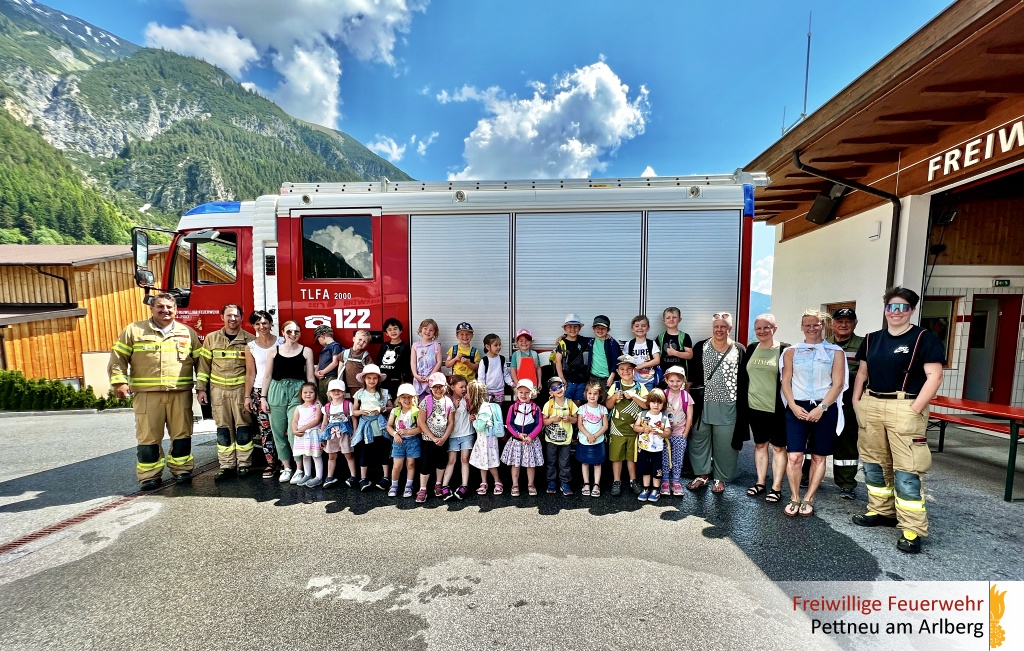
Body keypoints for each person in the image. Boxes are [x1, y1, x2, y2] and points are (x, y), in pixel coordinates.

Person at [851, 287, 944, 554]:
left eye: (902, 307)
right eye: (892, 307)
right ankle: (880, 511)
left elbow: (934, 377)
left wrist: (915, 408)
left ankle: (911, 527)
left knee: (907, 470)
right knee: (873, 463)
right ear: (885, 310)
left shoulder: (924, 338)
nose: (896, 312)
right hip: (872, 404)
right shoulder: (872, 339)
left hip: (905, 405)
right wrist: (857, 402)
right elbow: (862, 373)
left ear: (911, 310)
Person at [108, 293, 201, 490]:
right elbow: (118, 357)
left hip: (180, 393)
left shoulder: (187, 332)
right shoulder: (134, 330)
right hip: (147, 394)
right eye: (160, 306)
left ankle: (182, 470)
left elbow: (201, 362)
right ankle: (149, 476)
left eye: (169, 307)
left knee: (182, 434)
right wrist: (119, 382)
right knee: (148, 437)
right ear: (152, 309)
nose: (165, 310)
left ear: (176, 310)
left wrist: (202, 386)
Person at [780, 309, 847, 517]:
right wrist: (791, 405)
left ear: (823, 326)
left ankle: (809, 497)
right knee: (794, 456)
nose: (811, 328)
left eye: (816, 324)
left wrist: (822, 408)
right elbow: (785, 381)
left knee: (818, 456)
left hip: (824, 407)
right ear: (801, 327)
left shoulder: (835, 352)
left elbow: (837, 384)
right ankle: (794, 496)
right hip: (797, 406)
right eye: (807, 324)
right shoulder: (791, 351)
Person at [687, 312, 748, 494]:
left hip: (728, 403)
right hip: (702, 403)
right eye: (716, 326)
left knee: (725, 444)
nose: (719, 330)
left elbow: (744, 379)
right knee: (698, 440)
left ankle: (720, 478)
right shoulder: (701, 346)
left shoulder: (739, 349)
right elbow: (693, 375)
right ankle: (702, 475)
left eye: (723, 326)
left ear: (730, 329)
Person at [196, 304, 255, 481]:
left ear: (241, 318)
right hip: (218, 392)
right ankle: (226, 465)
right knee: (223, 430)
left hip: (240, 391)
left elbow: (253, 370)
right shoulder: (211, 339)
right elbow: (203, 366)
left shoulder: (249, 340)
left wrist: (250, 394)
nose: (233, 319)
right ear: (222, 316)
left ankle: (244, 464)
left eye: (236, 316)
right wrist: (200, 389)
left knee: (243, 428)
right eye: (229, 315)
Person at [739, 314, 790, 504]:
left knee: (778, 447)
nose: (762, 331)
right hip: (754, 406)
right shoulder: (752, 348)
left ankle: (776, 487)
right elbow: (745, 378)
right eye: (758, 328)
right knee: (760, 445)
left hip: (776, 407)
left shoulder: (784, 349)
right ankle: (760, 482)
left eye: (766, 328)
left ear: (774, 329)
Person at [259, 321, 315, 484]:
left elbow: (310, 376)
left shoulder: (306, 351)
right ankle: (286, 467)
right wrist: (263, 397)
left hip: (298, 391)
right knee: (277, 431)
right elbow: (267, 375)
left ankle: (299, 469)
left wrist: (314, 398)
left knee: (294, 430)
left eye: (296, 331)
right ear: (283, 332)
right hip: (276, 390)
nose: (293, 334)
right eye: (289, 331)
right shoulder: (273, 351)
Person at [828, 307, 865, 499]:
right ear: (832, 324)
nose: (844, 324)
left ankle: (847, 483)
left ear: (854, 324)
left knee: (847, 443)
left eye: (848, 321)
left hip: (848, 404)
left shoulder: (863, 345)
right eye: (840, 321)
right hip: (824, 403)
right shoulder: (823, 344)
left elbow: (866, 374)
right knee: (814, 441)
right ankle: (807, 476)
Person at [244, 310, 285, 478]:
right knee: (265, 429)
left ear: (271, 324)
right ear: (253, 326)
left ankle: (285, 462)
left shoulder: (282, 342)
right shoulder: (251, 347)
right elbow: (250, 373)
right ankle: (270, 463)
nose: (262, 327)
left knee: (282, 428)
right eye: (258, 324)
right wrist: (247, 396)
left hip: (280, 388)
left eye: (265, 323)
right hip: (260, 391)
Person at [606, 355, 649, 496]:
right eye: (622, 369)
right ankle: (616, 481)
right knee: (616, 456)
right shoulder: (615, 386)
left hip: (634, 428)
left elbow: (646, 404)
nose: (626, 372)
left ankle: (633, 480)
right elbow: (608, 405)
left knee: (632, 456)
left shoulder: (640, 387)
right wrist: (614, 397)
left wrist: (635, 396)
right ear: (618, 372)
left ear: (634, 370)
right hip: (617, 427)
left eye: (629, 369)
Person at [351, 364, 391, 491]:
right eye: (369, 378)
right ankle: (363, 478)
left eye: (374, 378)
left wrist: (382, 409)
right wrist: (361, 412)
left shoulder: (384, 393)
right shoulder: (360, 393)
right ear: (364, 379)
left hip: (380, 426)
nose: (372, 381)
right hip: (365, 427)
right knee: (364, 452)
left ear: (378, 379)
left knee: (383, 451)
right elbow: (353, 412)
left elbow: (392, 408)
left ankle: (385, 477)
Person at [501, 379, 544, 496]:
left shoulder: (536, 408)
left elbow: (539, 424)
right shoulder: (513, 408)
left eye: (526, 392)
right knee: (515, 464)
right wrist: (517, 434)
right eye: (521, 392)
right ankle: (515, 484)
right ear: (517, 393)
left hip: (531, 441)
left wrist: (531, 436)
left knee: (530, 464)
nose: (523, 395)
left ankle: (531, 484)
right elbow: (509, 423)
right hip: (517, 441)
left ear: (532, 393)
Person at [416, 372, 455, 503]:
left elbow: (451, 422)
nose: (438, 390)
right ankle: (422, 488)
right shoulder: (425, 401)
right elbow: (421, 422)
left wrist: (444, 437)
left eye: (441, 387)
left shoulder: (448, 402)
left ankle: (438, 484)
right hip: (428, 440)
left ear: (445, 386)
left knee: (441, 462)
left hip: (443, 439)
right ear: (430, 388)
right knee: (426, 463)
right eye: (435, 387)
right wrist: (432, 437)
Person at [542, 376, 578, 496]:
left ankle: (565, 483)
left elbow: (576, 420)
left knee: (565, 462)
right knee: (551, 462)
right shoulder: (549, 404)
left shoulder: (570, 403)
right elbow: (543, 421)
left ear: (565, 387)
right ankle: (551, 482)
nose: (558, 389)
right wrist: (552, 419)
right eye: (554, 387)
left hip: (566, 440)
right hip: (551, 439)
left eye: (560, 385)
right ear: (550, 392)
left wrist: (569, 418)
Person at [634, 389, 671, 502]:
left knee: (657, 470)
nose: (656, 405)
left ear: (663, 404)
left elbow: (668, 432)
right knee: (645, 469)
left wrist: (660, 432)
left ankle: (655, 489)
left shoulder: (664, 418)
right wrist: (643, 429)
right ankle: (646, 488)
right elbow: (635, 427)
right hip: (644, 448)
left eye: (659, 402)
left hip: (657, 450)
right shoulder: (642, 414)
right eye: (653, 402)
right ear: (648, 402)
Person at [660, 366, 693, 496]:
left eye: (678, 381)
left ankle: (676, 481)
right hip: (664, 434)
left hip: (680, 433)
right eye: (672, 381)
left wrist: (685, 433)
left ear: (683, 381)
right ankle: (665, 480)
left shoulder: (686, 396)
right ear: (666, 381)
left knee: (678, 458)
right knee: (665, 458)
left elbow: (690, 415)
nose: (675, 384)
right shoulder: (663, 394)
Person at [442, 375, 475, 501]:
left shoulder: (467, 399)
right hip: (453, 435)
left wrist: (473, 415)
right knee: (451, 460)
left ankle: (464, 485)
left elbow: (474, 411)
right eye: (461, 387)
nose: (464, 389)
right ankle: (445, 485)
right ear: (452, 387)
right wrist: (453, 409)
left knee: (465, 458)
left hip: (467, 433)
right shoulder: (448, 400)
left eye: (465, 386)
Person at [468, 379, 503, 495]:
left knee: (490, 461)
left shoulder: (483, 409)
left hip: (487, 441)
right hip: (483, 440)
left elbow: (480, 427)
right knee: (482, 461)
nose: (466, 395)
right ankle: (484, 482)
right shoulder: (481, 407)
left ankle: (497, 481)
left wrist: (473, 421)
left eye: (468, 393)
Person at [386, 384, 421, 498]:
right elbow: (389, 426)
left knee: (410, 464)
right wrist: (395, 434)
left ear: (414, 398)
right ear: (399, 399)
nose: (407, 400)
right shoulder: (395, 411)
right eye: (403, 397)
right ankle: (394, 485)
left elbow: (420, 428)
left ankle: (408, 486)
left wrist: (407, 432)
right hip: (399, 441)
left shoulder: (417, 411)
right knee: (397, 465)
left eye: (409, 397)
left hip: (412, 440)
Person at [576, 380, 609, 498]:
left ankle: (596, 484)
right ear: (585, 394)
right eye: (589, 393)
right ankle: (586, 484)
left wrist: (595, 436)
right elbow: (579, 425)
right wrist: (588, 435)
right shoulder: (582, 409)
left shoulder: (602, 409)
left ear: (599, 394)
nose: (592, 396)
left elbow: (605, 426)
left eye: (595, 394)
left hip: (598, 440)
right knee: (584, 462)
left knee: (597, 463)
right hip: (585, 440)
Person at [320, 379, 355, 489]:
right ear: (329, 393)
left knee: (348, 454)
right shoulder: (326, 407)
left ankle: (353, 476)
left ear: (344, 392)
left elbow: (354, 419)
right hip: (331, 433)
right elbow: (325, 422)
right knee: (332, 455)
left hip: (345, 433)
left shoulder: (348, 405)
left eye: (339, 390)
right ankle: (330, 476)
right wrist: (322, 437)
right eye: (333, 390)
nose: (336, 392)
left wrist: (355, 432)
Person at [289, 382, 324, 487]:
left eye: (311, 392)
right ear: (301, 394)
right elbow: (294, 420)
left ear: (315, 394)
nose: (308, 394)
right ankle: (307, 474)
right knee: (305, 455)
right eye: (305, 392)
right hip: (302, 435)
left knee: (316, 455)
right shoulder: (298, 408)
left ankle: (319, 477)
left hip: (313, 434)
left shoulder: (317, 407)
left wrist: (303, 428)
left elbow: (317, 420)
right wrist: (294, 430)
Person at [554, 313, 592, 402]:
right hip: (568, 380)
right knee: (566, 402)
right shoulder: (562, 343)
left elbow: (598, 338)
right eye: (569, 327)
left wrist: (606, 336)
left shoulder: (582, 341)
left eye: (575, 327)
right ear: (565, 328)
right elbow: (558, 361)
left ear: (579, 328)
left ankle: (574, 417)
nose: (572, 329)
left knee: (578, 402)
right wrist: (561, 378)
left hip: (581, 380)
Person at [624, 315, 662, 392]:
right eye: (637, 326)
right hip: (633, 380)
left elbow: (657, 360)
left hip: (648, 380)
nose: (640, 328)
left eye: (643, 326)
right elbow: (624, 361)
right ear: (632, 328)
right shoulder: (629, 344)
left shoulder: (652, 343)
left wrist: (641, 366)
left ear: (648, 328)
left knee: (647, 402)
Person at [378, 317, 411, 401]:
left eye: (395, 329)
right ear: (386, 333)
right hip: (383, 382)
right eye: (389, 329)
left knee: (396, 403)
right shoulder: (384, 346)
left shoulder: (405, 347)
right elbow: (378, 360)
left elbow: (407, 366)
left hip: (397, 381)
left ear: (401, 331)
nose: (393, 331)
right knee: (384, 403)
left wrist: (404, 382)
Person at [656, 307, 694, 382]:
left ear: (679, 319)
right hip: (664, 376)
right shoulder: (660, 337)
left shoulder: (684, 336)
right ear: (664, 321)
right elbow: (656, 356)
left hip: (680, 376)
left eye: (674, 317)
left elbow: (690, 355)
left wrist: (675, 353)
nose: (671, 319)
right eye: (668, 318)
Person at [588, 315, 623, 387]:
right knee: (593, 397)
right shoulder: (591, 341)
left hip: (607, 379)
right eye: (597, 328)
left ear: (608, 330)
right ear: (593, 329)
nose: (600, 330)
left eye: (603, 328)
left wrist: (612, 376)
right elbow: (576, 338)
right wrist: (563, 336)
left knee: (606, 398)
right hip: (593, 377)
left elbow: (616, 361)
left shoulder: (612, 343)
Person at [313, 325, 344, 404]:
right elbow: (320, 362)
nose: (319, 342)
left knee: (330, 399)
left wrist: (322, 372)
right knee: (322, 398)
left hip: (331, 378)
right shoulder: (324, 349)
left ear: (322, 337)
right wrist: (316, 372)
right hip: (322, 379)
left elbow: (335, 362)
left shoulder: (335, 346)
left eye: (318, 339)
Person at [412, 319, 442, 397]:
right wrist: (415, 375)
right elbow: (413, 362)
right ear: (421, 329)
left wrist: (430, 377)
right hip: (419, 379)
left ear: (435, 333)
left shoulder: (436, 345)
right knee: (420, 401)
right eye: (425, 328)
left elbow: (439, 362)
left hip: (433, 379)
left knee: (432, 400)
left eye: (431, 330)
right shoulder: (415, 346)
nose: (427, 332)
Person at [341, 330, 372, 397]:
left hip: (362, 385)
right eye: (360, 339)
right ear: (354, 339)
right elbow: (340, 368)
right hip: (349, 384)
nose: (361, 343)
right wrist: (340, 381)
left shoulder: (365, 355)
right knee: (353, 402)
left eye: (364, 342)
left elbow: (371, 369)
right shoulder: (345, 353)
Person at [479, 333, 507, 404]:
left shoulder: (502, 359)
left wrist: (512, 383)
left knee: (498, 410)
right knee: (488, 411)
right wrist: (482, 390)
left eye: (499, 345)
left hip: (499, 390)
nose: (498, 347)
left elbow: (506, 374)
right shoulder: (484, 361)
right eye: (496, 345)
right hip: (487, 391)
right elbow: (481, 378)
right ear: (487, 346)